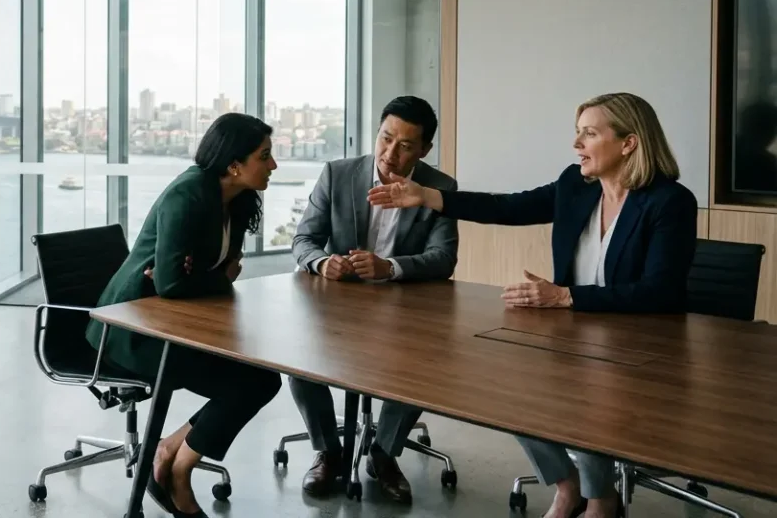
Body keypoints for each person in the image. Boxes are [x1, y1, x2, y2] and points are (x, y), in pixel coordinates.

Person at [368, 92, 697, 518]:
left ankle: (602, 502)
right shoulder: (575, 186)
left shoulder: (670, 202)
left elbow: (661, 292)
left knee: (591, 390)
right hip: (577, 335)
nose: (577, 145)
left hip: (644, 347)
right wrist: (429, 197)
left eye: (589, 134)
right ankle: (568, 484)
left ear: (628, 143)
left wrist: (564, 296)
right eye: (577, 134)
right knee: (508, 384)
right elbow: (507, 207)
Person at [85, 112, 281, 518]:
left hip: (173, 321)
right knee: (251, 382)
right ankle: (175, 472)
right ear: (234, 164)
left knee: (261, 377)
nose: (273, 165)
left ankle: (172, 452)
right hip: (129, 329)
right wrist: (217, 277)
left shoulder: (236, 200)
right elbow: (176, 283)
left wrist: (208, 276)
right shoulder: (188, 193)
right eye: (265, 156)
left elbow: (203, 274)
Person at [289, 95, 459, 503]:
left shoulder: (439, 187)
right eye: (386, 139)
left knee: (422, 362)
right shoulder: (339, 174)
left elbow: (443, 258)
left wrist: (391, 267)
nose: (390, 153)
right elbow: (303, 239)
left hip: (404, 310)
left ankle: (384, 453)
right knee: (296, 362)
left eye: (405, 146)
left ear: (424, 150)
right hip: (338, 307)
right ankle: (329, 450)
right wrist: (322, 262)